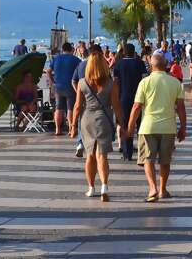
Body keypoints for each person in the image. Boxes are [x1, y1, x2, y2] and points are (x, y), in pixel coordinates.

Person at [125, 52, 187, 203]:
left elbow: (136, 106)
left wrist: (130, 127)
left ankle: (152, 188)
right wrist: (183, 127)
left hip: (148, 127)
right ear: (166, 65)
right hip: (168, 127)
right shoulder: (175, 83)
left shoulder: (144, 82)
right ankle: (163, 189)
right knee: (165, 161)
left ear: (151, 65)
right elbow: (180, 108)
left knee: (148, 159)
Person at [71, 49, 120, 201]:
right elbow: (116, 106)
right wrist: (122, 123)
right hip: (104, 119)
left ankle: (91, 188)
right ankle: (104, 186)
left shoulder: (82, 83)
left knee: (90, 156)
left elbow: (78, 106)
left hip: (87, 119)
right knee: (102, 156)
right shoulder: (111, 84)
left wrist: (73, 125)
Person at [111, 44, 149, 162]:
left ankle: (127, 153)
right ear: (134, 52)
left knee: (126, 124)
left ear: (123, 52)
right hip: (139, 98)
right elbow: (145, 79)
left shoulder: (118, 64)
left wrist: (115, 98)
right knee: (140, 125)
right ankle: (142, 152)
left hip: (123, 98)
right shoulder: (140, 63)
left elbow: (115, 82)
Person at [47, 43, 82, 137]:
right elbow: (82, 70)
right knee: (70, 108)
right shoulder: (75, 59)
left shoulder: (56, 59)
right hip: (71, 86)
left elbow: (48, 71)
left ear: (62, 49)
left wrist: (52, 82)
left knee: (59, 108)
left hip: (58, 87)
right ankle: (71, 129)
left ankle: (58, 129)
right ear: (71, 49)